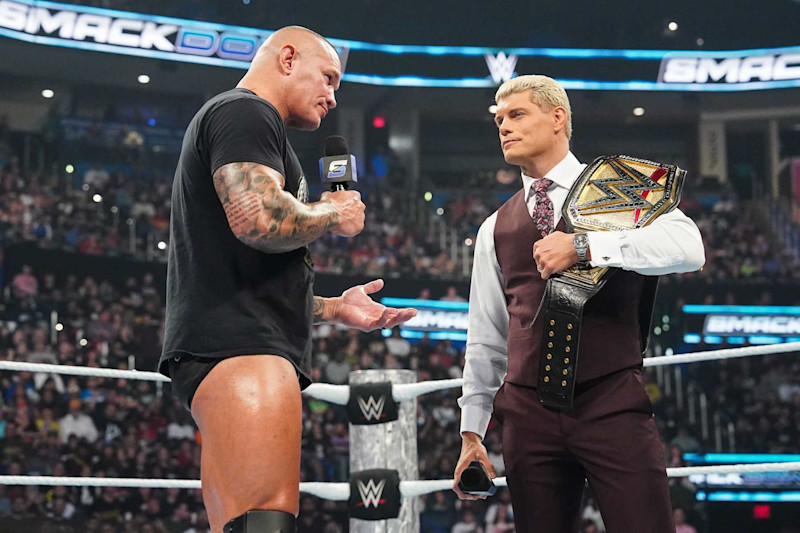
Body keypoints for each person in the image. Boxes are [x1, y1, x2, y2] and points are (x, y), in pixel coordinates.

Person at [160, 26, 416, 533]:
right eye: (327, 77)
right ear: (288, 58)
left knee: (244, 522)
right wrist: (331, 210)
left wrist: (331, 308)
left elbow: (246, 266)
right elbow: (256, 218)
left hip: (232, 346)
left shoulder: (251, 124)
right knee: (262, 522)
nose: (332, 95)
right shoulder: (245, 111)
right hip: (241, 351)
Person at [452, 75, 705, 532]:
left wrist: (587, 246)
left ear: (557, 117)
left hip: (611, 400)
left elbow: (689, 247)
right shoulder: (494, 226)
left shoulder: (618, 185)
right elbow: (487, 337)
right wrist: (472, 433)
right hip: (527, 415)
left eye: (516, 114)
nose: (504, 127)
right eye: (499, 119)